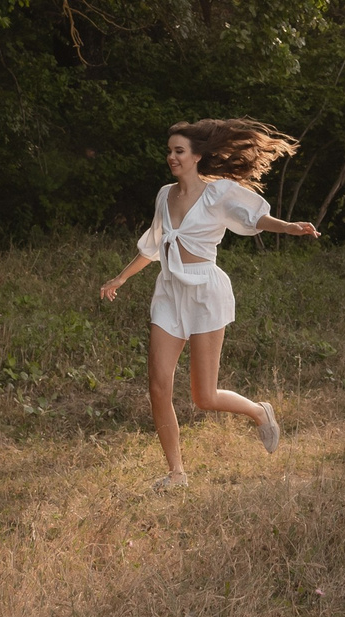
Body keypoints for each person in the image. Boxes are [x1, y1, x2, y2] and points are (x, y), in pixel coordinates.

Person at [98, 119, 319, 490]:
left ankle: (257, 410)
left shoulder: (218, 195)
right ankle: (176, 474)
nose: (171, 157)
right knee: (157, 385)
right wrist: (121, 277)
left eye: (179, 151)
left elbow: (256, 218)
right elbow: (154, 245)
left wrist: (291, 227)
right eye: (169, 151)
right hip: (170, 292)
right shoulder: (164, 195)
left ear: (197, 156)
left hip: (206, 293)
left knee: (204, 396)